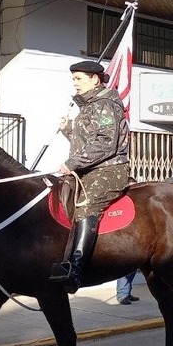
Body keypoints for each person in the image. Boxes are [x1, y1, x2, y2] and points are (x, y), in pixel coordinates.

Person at [49, 60, 130, 290]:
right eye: (73, 79)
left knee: (85, 205)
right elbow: (85, 144)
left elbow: (106, 144)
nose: (75, 83)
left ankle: (76, 270)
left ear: (95, 79)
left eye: (79, 79)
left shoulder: (105, 105)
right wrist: (68, 129)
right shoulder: (88, 107)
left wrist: (71, 163)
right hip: (87, 171)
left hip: (110, 170)